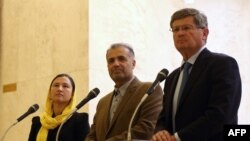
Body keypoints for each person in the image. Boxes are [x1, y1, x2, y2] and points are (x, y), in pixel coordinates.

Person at [151, 8, 242, 141]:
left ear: (204, 33)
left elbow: (220, 115)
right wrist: (160, 131)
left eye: (186, 28)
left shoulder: (223, 64)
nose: (180, 33)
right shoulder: (172, 77)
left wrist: (178, 137)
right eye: (176, 29)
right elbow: (163, 118)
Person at [86, 43, 163, 141]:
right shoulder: (102, 102)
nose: (116, 64)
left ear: (133, 63)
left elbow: (146, 129)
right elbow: (92, 135)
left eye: (121, 59)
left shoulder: (149, 90)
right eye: (111, 61)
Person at [28, 73, 90, 141]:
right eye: (56, 85)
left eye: (65, 86)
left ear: (72, 94)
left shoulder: (80, 120)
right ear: (50, 92)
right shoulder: (38, 121)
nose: (60, 89)